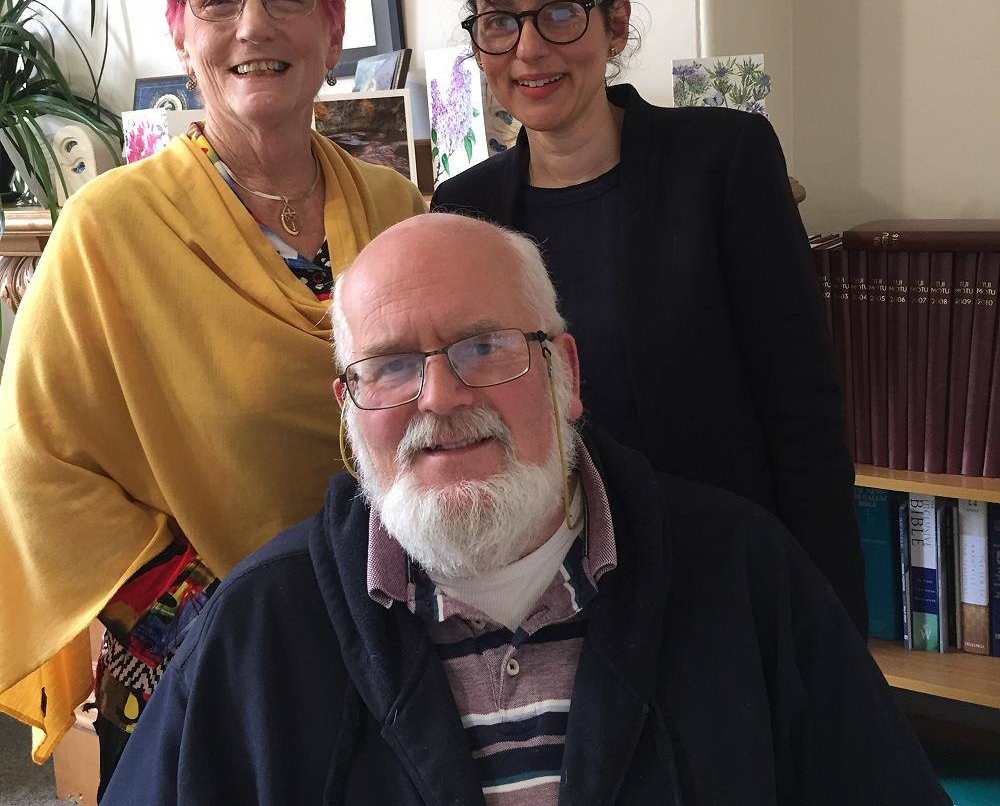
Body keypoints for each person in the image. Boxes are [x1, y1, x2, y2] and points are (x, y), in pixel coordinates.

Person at [103, 214, 949, 806]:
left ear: (565, 374)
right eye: (390, 367)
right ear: (349, 410)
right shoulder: (255, 632)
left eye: (483, 347)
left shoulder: (747, 577)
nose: (439, 397)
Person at [0, 0, 424, 790]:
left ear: (332, 31)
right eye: (218, 1)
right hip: (201, 662)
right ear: (182, 35)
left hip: (396, 629)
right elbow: (38, 460)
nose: (252, 26)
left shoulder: (395, 208)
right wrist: (214, 610)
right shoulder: (109, 229)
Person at [431, 0, 867, 632]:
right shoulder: (464, 210)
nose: (528, 47)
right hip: (555, 606)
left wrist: (830, 626)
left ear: (615, 22)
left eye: (558, 11)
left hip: (724, 585)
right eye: (499, 20)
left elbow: (803, 412)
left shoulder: (724, 161)